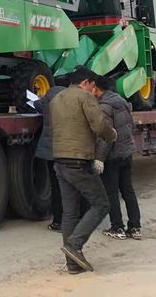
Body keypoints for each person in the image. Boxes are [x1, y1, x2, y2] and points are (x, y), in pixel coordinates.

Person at [50, 66, 117, 274]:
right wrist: (112, 134)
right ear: (85, 82)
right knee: (101, 204)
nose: (93, 90)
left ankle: (73, 264)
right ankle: (74, 245)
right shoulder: (85, 97)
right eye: (93, 86)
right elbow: (99, 126)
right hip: (79, 160)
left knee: (70, 212)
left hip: (59, 160)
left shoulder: (56, 98)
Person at [93, 75, 142, 240]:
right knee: (128, 191)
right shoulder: (122, 102)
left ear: (96, 88)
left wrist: (99, 158)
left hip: (113, 156)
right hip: (127, 152)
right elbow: (130, 125)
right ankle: (135, 227)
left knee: (112, 193)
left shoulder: (104, 107)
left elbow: (106, 137)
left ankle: (117, 227)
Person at [33, 85, 65, 232]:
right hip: (66, 149)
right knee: (70, 186)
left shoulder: (48, 98)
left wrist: (40, 98)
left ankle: (57, 220)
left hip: (50, 150)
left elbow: (36, 105)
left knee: (55, 186)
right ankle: (73, 219)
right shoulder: (69, 97)